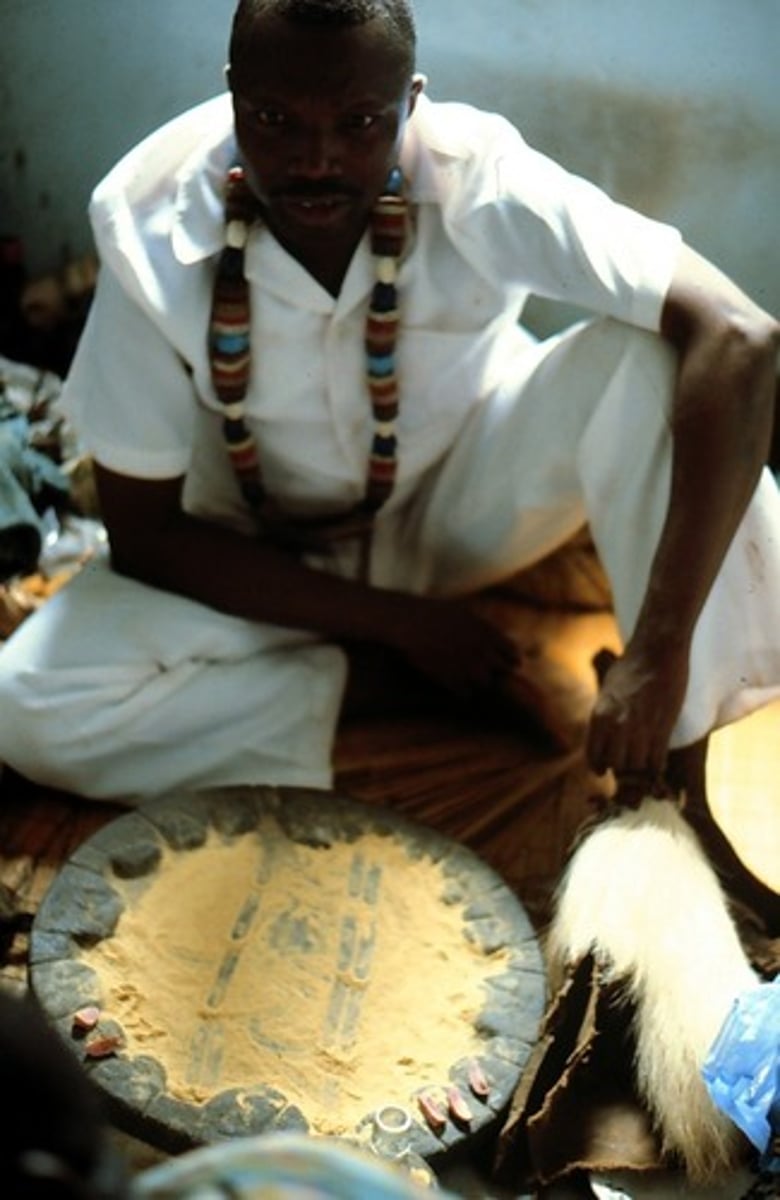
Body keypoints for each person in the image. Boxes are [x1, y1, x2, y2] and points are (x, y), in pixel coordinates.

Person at [0, 0, 777, 919]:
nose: (317, 159)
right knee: (24, 704)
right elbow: (148, 537)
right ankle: (380, 685)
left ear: (412, 103)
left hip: (462, 507)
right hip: (248, 554)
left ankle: (698, 755)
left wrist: (656, 654)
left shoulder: (478, 175)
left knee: (653, 359)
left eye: (359, 124)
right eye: (277, 121)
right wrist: (402, 628)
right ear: (233, 98)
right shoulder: (145, 222)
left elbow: (739, 336)